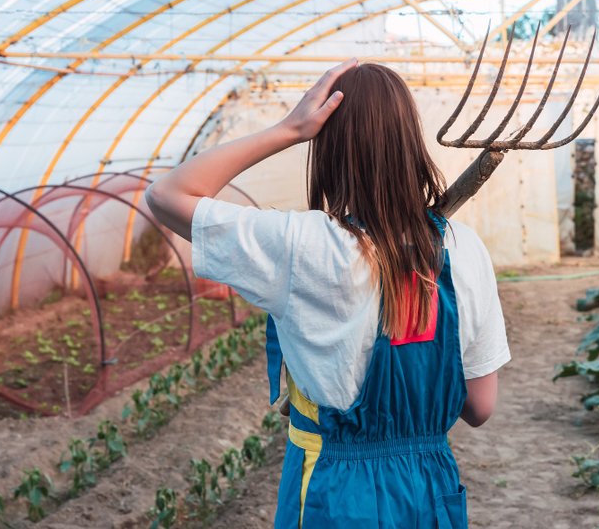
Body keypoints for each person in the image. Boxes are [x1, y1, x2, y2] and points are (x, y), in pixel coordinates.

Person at [145, 59, 510, 528]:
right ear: (410, 143)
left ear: (329, 150)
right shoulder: (464, 249)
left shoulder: (301, 246)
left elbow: (166, 195)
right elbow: (480, 407)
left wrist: (289, 129)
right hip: (429, 493)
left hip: (336, 495)